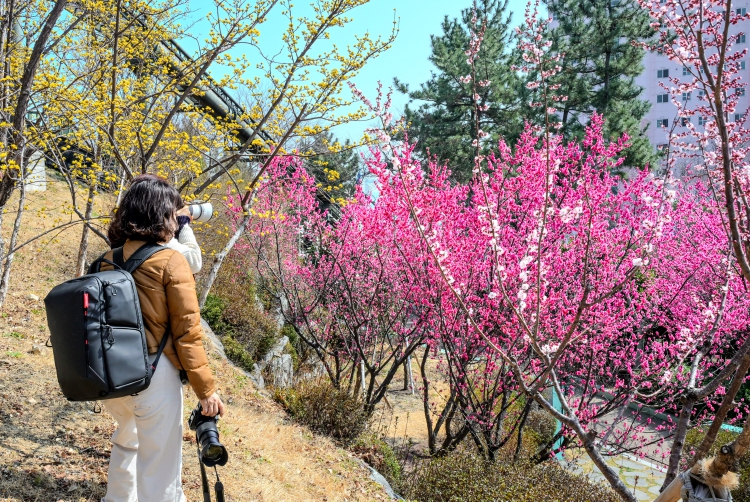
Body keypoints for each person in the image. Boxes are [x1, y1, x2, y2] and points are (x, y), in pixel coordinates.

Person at [100, 174, 224, 502]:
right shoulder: (171, 260)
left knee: (127, 442)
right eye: (172, 212)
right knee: (161, 470)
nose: (175, 218)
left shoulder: (106, 260)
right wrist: (206, 390)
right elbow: (186, 333)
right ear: (160, 213)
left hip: (111, 378)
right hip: (153, 377)